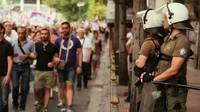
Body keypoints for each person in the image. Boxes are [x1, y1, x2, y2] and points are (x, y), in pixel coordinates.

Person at [154, 3, 193, 112]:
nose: (163, 20)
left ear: (173, 19)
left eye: (165, 17)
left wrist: (156, 79)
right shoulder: (167, 39)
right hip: (163, 85)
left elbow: (174, 70)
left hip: (174, 89)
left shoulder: (182, 41)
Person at [134, 9, 167, 112]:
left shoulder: (148, 43)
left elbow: (140, 63)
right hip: (162, 78)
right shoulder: (164, 40)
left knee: (147, 107)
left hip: (150, 81)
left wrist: (136, 63)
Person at [54, 21, 82, 112]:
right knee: (62, 86)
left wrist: (79, 66)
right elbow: (55, 54)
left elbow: (80, 53)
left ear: (70, 29)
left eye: (66, 28)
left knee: (69, 85)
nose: (65, 30)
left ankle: (69, 106)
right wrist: (56, 59)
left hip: (71, 66)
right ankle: (63, 104)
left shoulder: (75, 40)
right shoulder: (58, 40)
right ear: (61, 29)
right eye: (63, 28)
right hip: (60, 66)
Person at [12, 26, 35, 112]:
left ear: (26, 33)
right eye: (19, 33)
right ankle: (15, 102)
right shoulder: (13, 42)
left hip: (25, 66)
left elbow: (35, 55)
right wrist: (12, 55)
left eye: (23, 33)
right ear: (17, 32)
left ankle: (22, 106)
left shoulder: (31, 43)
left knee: (25, 88)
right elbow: (9, 55)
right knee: (15, 86)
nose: (21, 35)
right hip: (15, 66)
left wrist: (28, 55)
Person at [34, 28, 57, 112]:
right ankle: (40, 102)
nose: (44, 35)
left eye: (46, 34)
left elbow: (56, 58)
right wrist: (30, 55)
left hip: (49, 71)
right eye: (42, 34)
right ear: (40, 35)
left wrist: (53, 62)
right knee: (37, 89)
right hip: (38, 70)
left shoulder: (53, 46)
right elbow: (34, 55)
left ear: (48, 35)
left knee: (47, 89)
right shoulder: (36, 45)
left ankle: (45, 107)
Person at [0, 23, 13, 112]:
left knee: (4, 100)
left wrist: (8, 75)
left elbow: (10, 60)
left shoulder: (7, 44)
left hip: (4, 75)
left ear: (2, 30)